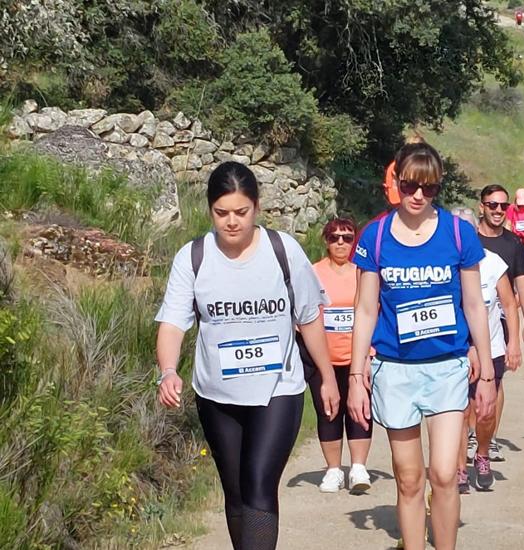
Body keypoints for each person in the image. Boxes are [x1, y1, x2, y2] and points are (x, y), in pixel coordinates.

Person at [156, 162, 339, 549]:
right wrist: (168, 371)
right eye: (222, 213)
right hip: (217, 396)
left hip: (278, 390)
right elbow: (173, 323)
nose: (232, 222)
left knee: (258, 484)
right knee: (236, 491)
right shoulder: (193, 258)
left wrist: (325, 376)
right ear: (209, 211)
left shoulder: (282, 250)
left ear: (256, 207)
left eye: (241, 212)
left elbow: (309, 318)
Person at [347, 142, 495, 550]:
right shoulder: (375, 237)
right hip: (394, 371)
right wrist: (356, 377)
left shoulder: (457, 232)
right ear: (396, 183)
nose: (418, 196)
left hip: (447, 366)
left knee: (445, 473)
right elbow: (364, 309)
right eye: (411, 186)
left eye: (429, 189)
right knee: (409, 478)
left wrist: (486, 370)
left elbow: (474, 304)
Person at [450, 208, 522, 493]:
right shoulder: (444, 264)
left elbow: (509, 304)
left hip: (490, 349)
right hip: (455, 350)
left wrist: (514, 341)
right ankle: (458, 469)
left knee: (484, 413)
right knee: (457, 411)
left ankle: (481, 454)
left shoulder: (492, 263)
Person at [308, 218, 374, 494]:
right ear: (326, 240)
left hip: (356, 356)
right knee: (329, 411)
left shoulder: (363, 272)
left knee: (358, 411)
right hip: (324, 357)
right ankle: (333, 469)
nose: (340, 243)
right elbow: (306, 315)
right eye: (334, 237)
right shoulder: (313, 273)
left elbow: (373, 310)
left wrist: (369, 354)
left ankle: (358, 467)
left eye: (347, 238)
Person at [477, 185, 524, 462]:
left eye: (503, 206)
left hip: (499, 318)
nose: (498, 210)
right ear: (482, 207)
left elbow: (522, 284)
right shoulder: (469, 239)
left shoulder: (513, 244)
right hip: (469, 319)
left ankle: (490, 437)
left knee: (495, 382)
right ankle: (468, 436)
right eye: (492, 205)